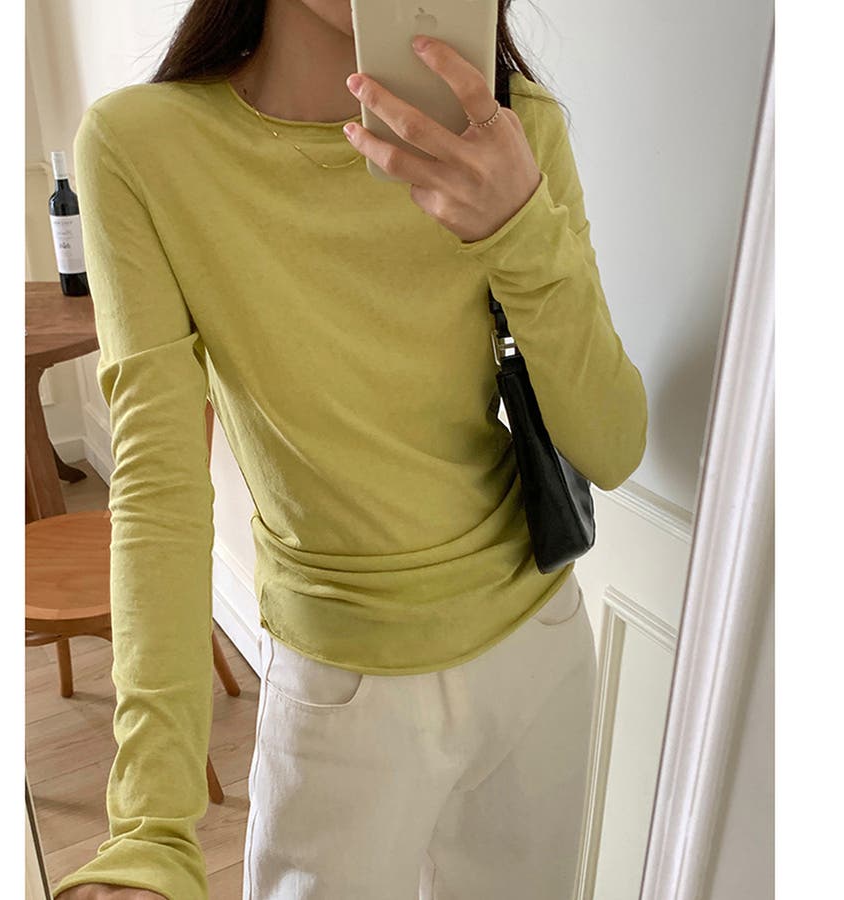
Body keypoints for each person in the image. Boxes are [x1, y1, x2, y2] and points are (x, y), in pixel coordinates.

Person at [53, 1, 647, 898]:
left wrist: (520, 223)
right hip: (340, 693)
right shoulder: (145, 149)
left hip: (539, 654)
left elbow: (613, 445)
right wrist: (151, 828)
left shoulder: (512, 129)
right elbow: (158, 490)